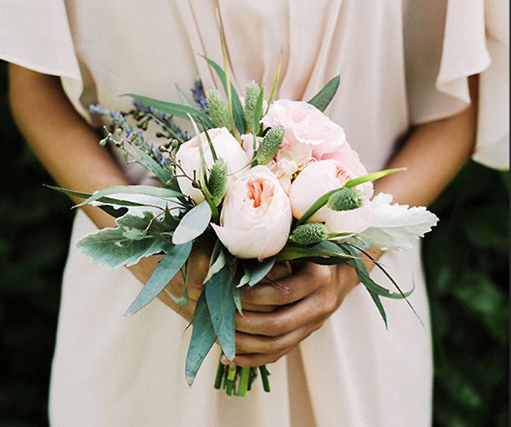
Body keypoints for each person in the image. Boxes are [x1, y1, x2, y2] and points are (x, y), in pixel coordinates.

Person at [1, 1, 508, 426]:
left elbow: (460, 101)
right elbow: (34, 86)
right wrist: (147, 254)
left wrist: (353, 257)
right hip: (140, 318)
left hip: (349, 328)